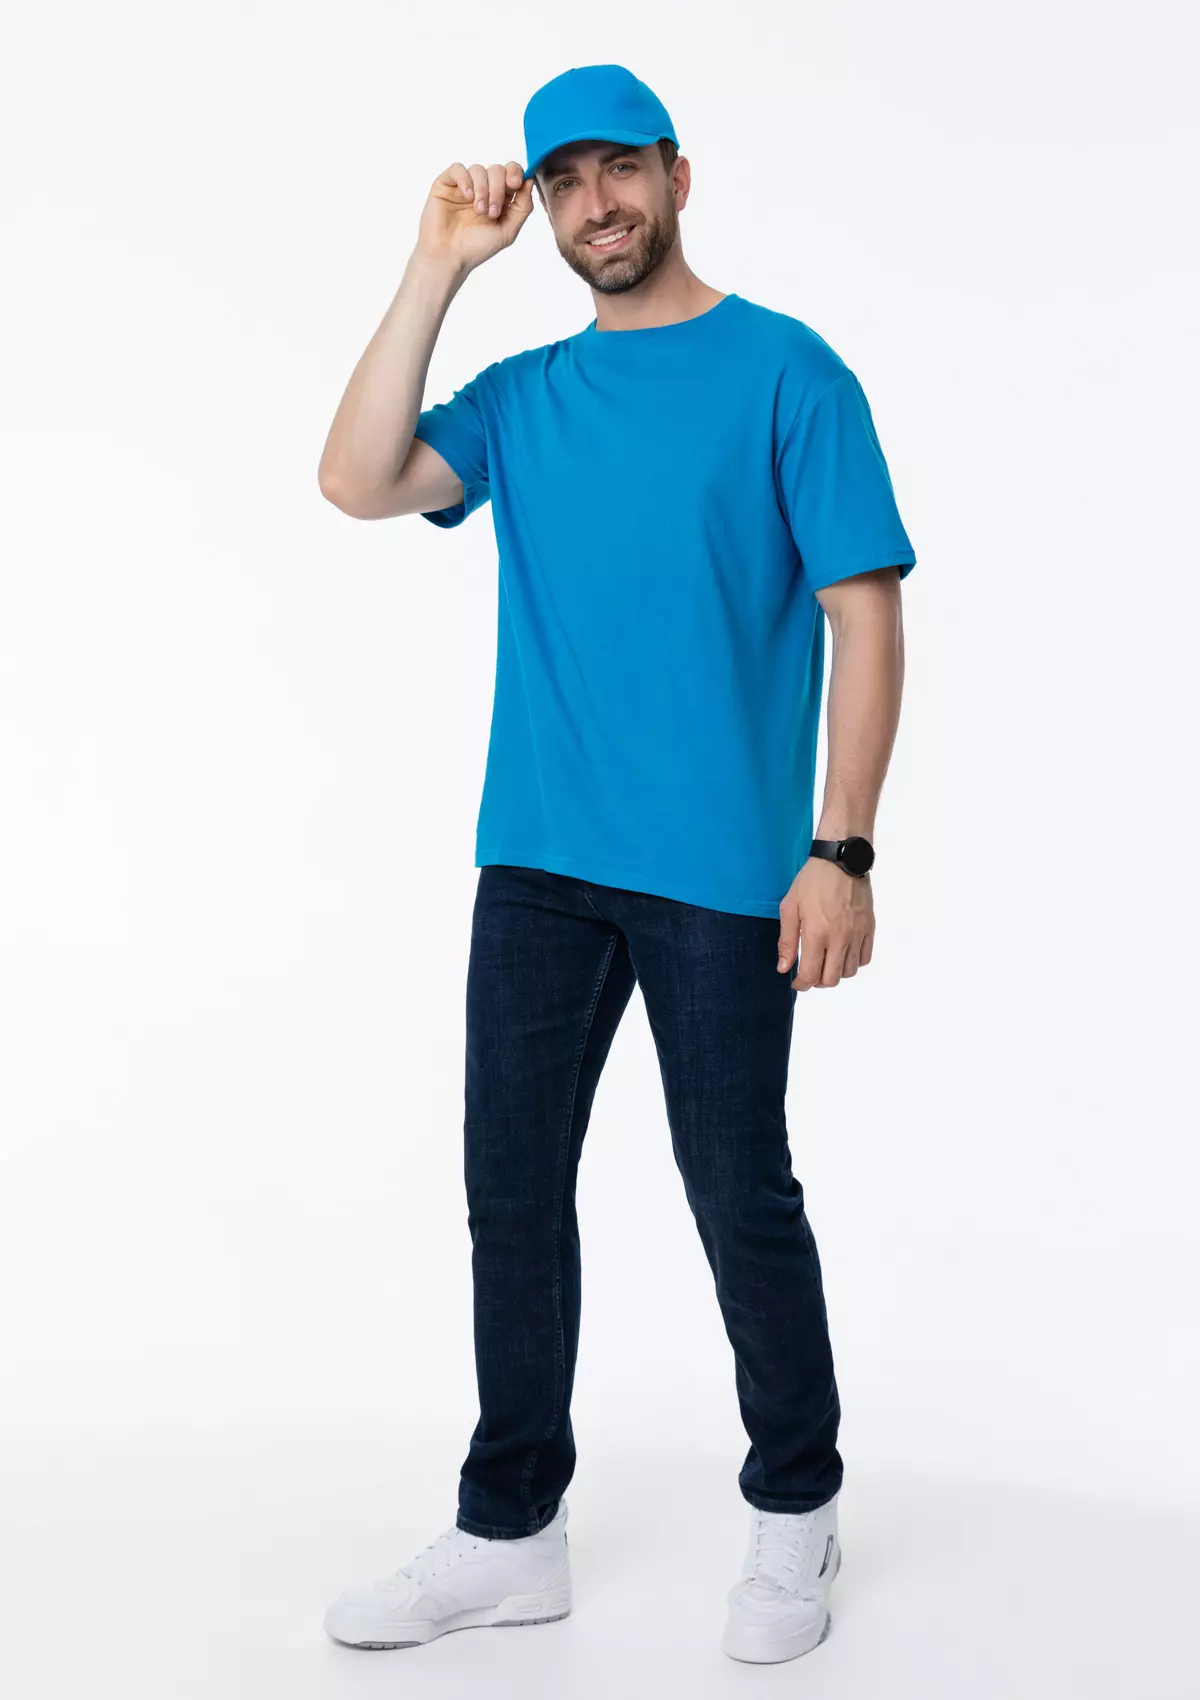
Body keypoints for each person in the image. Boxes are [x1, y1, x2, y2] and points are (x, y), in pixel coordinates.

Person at [317, 63, 915, 1666]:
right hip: (538, 860)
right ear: (545, 205)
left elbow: (866, 616)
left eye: (622, 169)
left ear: (677, 175)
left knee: (737, 1193)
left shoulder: (789, 372)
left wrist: (841, 849)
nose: (598, 202)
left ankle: (796, 1509)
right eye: (566, 179)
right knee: (510, 1196)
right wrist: (437, 267)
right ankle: (511, 1532)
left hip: (724, 873)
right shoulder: (522, 398)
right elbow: (356, 479)